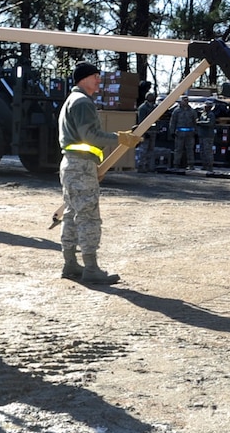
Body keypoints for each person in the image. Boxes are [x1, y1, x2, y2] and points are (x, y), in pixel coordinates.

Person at [58, 61, 140, 284]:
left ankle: (70, 264)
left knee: (71, 214)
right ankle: (91, 268)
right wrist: (120, 138)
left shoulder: (72, 100)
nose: (98, 80)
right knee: (88, 217)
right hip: (80, 167)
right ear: (83, 78)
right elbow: (90, 136)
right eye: (95, 76)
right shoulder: (83, 102)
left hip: (72, 165)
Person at [169, 95, 197, 169]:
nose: (186, 101)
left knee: (190, 150)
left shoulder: (192, 111)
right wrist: (172, 132)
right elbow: (173, 122)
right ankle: (176, 164)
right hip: (179, 134)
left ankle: (191, 164)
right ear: (181, 101)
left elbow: (195, 122)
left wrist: (196, 132)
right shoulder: (176, 111)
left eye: (187, 100)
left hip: (190, 134)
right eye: (184, 100)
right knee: (178, 149)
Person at [134, 91, 157, 172]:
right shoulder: (143, 108)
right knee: (143, 150)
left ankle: (148, 166)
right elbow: (141, 121)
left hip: (153, 131)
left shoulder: (153, 108)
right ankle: (141, 166)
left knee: (151, 150)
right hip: (146, 132)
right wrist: (144, 132)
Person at [196, 101, 217, 171]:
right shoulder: (203, 114)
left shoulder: (211, 115)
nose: (205, 108)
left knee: (208, 151)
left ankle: (210, 166)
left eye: (206, 106)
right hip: (202, 135)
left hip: (208, 136)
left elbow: (210, 123)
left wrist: (199, 123)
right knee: (202, 151)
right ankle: (204, 165)